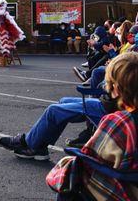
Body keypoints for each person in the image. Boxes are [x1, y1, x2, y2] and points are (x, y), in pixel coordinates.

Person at [46, 52, 138, 200]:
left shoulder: (120, 123)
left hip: (125, 191)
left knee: (71, 172)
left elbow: (89, 159)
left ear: (118, 90)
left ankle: (31, 145)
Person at [0, 67, 120, 160]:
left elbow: (118, 86)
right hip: (108, 102)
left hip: (111, 109)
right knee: (63, 101)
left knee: (53, 110)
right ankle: (40, 146)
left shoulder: (130, 64)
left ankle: (30, 144)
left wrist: (107, 80)